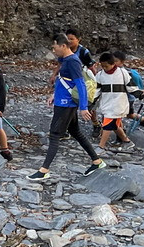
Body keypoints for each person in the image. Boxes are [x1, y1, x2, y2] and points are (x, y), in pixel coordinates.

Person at [29, 35, 106, 181]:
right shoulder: (65, 60)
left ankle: (44, 170)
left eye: (54, 46)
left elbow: (81, 84)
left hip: (66, 103)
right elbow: (63, 81)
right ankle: (97, 161)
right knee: (75, 131)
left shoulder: (72, 61)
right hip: (62, 100)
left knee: (54, 134)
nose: (53, 49)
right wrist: (54, 95)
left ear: (63, 46)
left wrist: (83, 107)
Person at [94, 52, 137, 149]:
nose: (104, 68)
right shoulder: (100, 75)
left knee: (107, 124)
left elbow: (131, 86)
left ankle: (101, 146)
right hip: (107, 102)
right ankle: (127, 141)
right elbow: (97, 90)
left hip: (119, 103)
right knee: (114, 125)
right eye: (102, 66)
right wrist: (91, 102)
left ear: (113, 64)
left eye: (106, 66)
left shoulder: (122, 73)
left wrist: (139, 94)